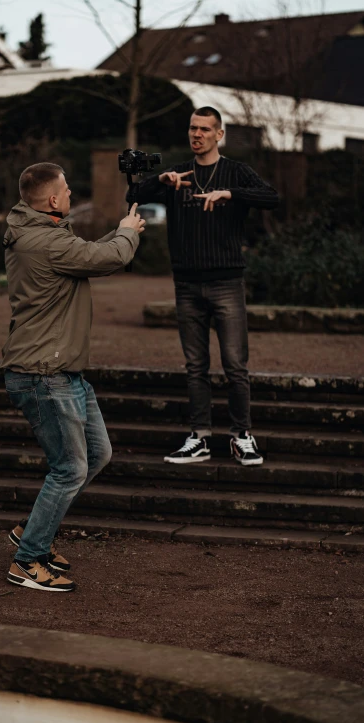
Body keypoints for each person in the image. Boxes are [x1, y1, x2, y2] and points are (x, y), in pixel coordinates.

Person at [0, 162, 145, 592]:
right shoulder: (44, 241)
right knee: (69, 469)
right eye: (65, 188)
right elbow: (111, 256)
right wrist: (129, 230)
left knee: (96, 455)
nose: (70, 192)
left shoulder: (43, 234)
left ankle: (34, 532)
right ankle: (27, 560)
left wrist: (118, 234)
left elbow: (87, 256)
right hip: (44, 373)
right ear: (52, 200)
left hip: (64, 371)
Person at [133, 106, 279, 466]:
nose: (196, 134)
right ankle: (199, 437)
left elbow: (272, 198)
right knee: (195, 366)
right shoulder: (178, 174)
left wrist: (230, 194)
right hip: (186, 285)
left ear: (219, 134)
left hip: (227, 282)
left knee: (234, 365)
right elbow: (132, 196)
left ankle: (241, 436)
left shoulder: (235, 172)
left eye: (204, 129)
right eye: (192, 128)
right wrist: (159, 182)